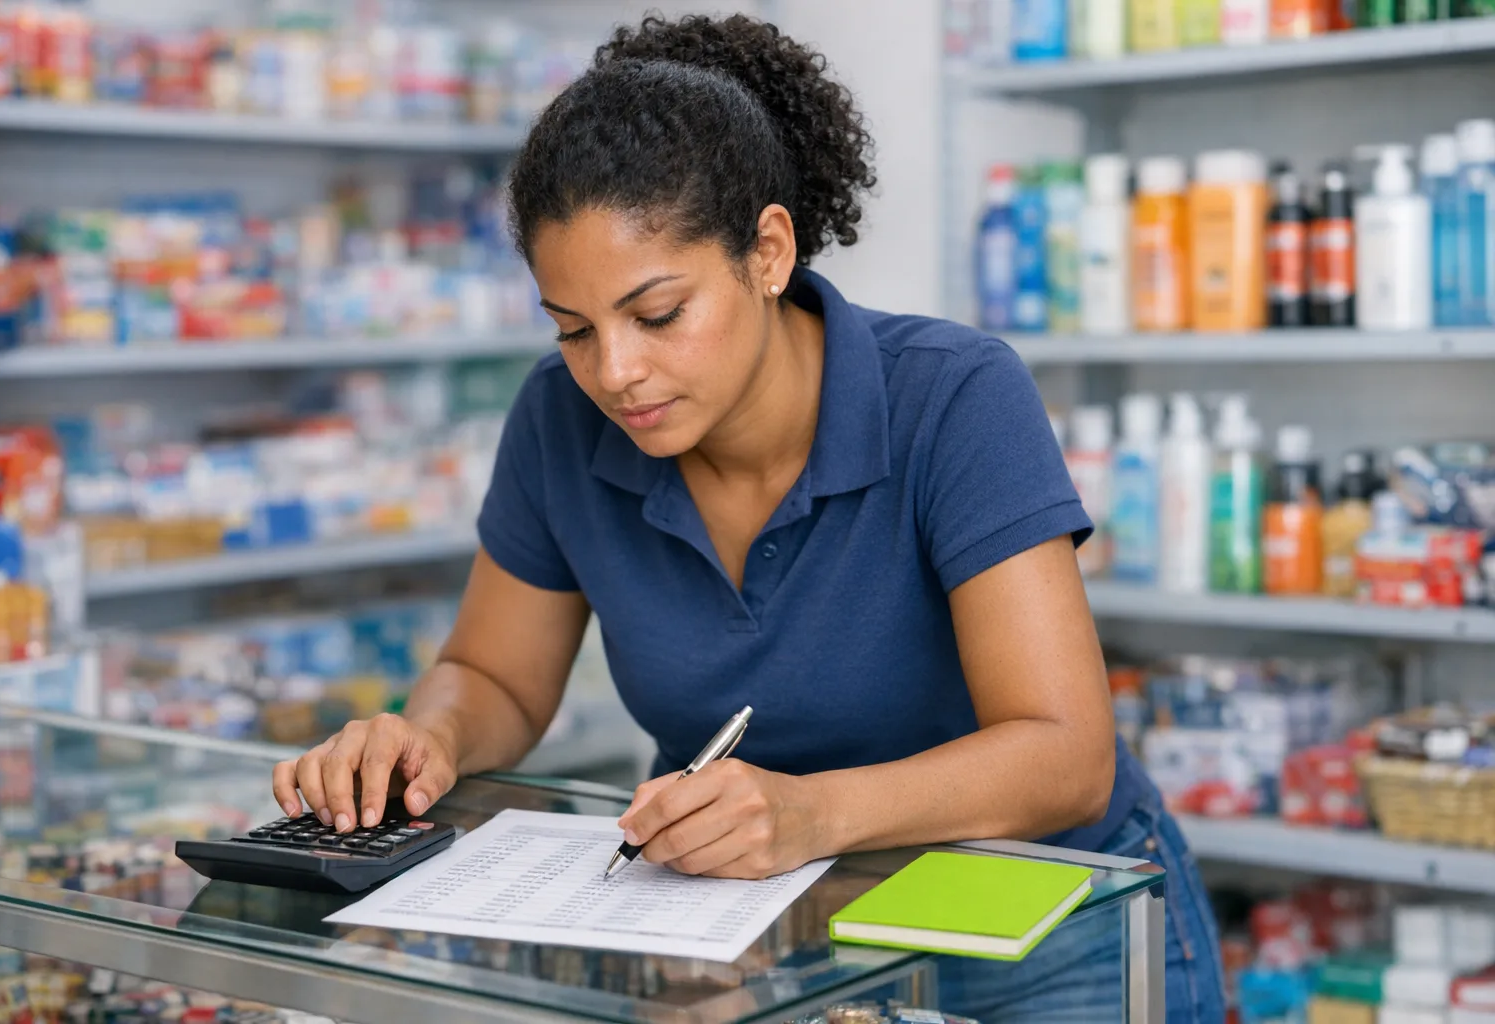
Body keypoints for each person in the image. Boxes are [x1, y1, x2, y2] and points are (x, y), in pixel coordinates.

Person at [272, 14, 1223, 1021]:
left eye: (657, 314)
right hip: (758, 925)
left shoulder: (951, 395)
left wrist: (810, 809)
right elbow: (497, 676)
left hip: (1038, 922)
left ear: (767, 252)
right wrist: (430, 737)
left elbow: (1065, 753)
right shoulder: (559, 416)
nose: (614, 372)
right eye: (573, 329)